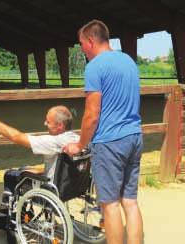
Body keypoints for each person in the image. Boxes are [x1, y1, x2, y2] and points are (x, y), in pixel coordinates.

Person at [63, 20, 143, 244]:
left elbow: (91, 115)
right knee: (130, 202)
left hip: (110, 142)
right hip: (134, 137)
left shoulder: (95, 67)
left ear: (90, 40)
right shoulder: (128, 61)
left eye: (81, 44)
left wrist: (79, 145)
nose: (81, 49)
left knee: (110, 204)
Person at [0, 103, 79, 228]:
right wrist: (39, 169)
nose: (44, 124)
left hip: (52, 188)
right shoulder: (76, 139)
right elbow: (63, 165)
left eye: (48, 121)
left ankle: (11, 218)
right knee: (24, 168)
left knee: (11, 175)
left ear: (60, 126)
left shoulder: (52, 141)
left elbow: (15, 136)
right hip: (71, 187)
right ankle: (25, 214)